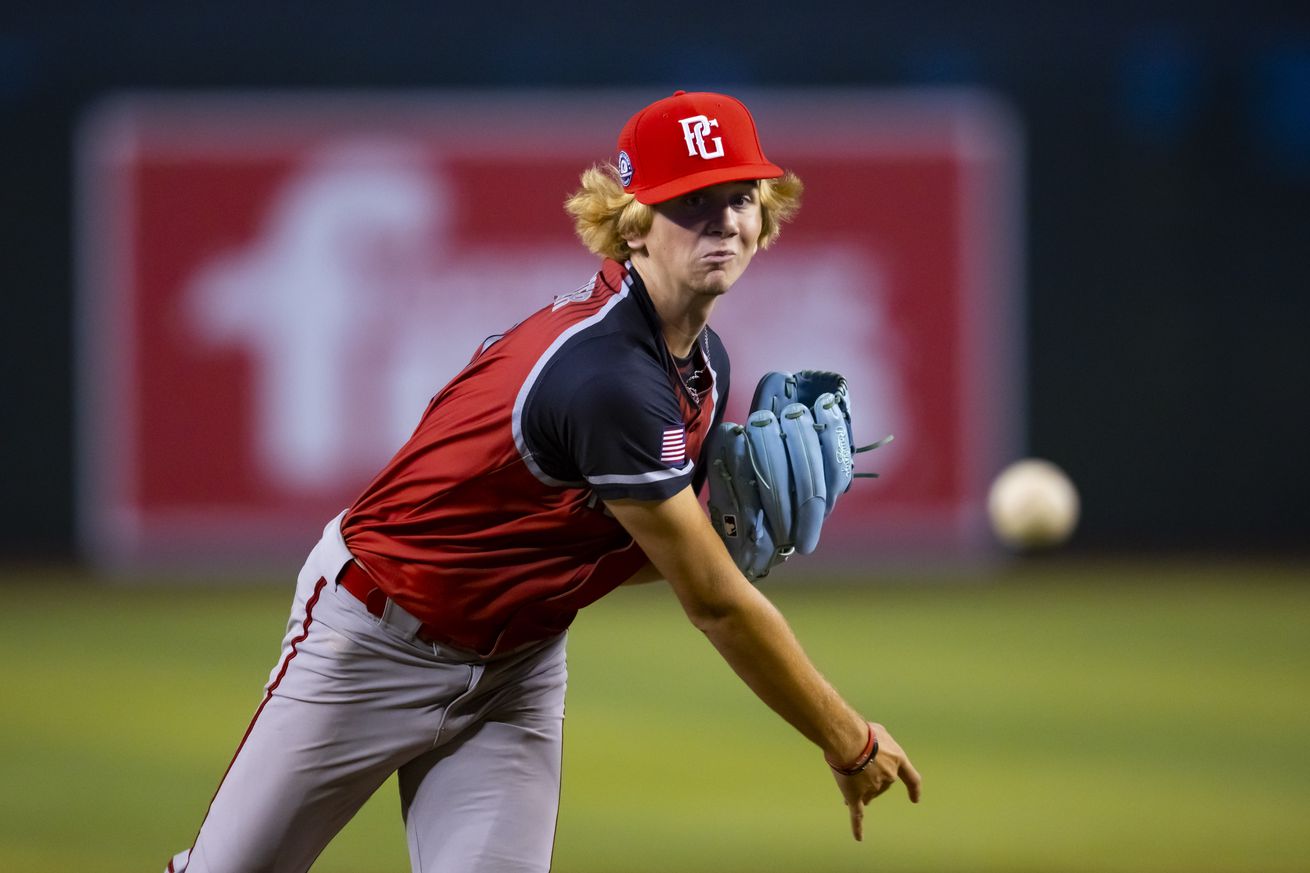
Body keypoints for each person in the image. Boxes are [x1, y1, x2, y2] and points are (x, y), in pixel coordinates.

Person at [166, 89, 921, 873]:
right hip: (372, 639)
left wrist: (709, 533)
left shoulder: (701, 365)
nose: (724, 220)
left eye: (740, 198)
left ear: (765, 219)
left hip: (514, 670)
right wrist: (848, 738)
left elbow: (583, 546)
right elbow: (715, 602)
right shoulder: (608, 376)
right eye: (693, 202)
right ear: (634, 223)